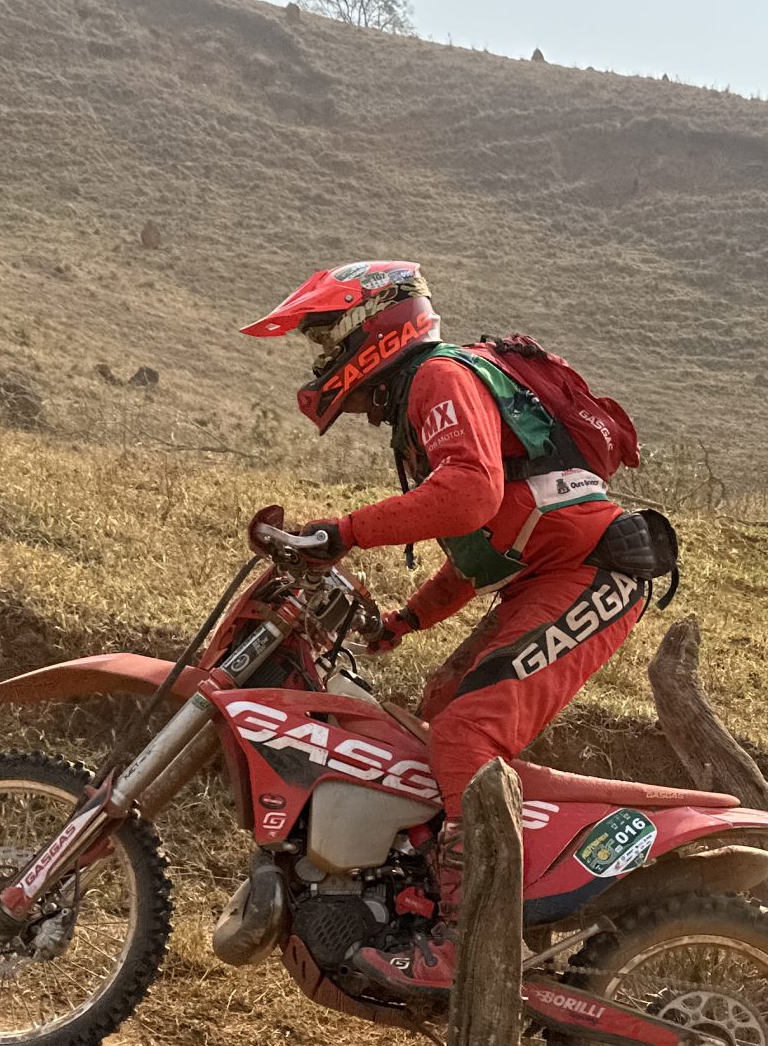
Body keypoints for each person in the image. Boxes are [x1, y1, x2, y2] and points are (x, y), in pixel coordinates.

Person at [242, 260, 652, 995]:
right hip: (545, 575)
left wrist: (343, 532)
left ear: (374, 325)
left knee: (466, 731)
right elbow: (485, 545)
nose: (324, 360)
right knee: (438, 707)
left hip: (595, 571)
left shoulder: (439, 377)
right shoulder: (429, 396)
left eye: (328, 338)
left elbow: (467, 498)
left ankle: (471, 934)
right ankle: (424, 896)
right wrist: (407, 619)